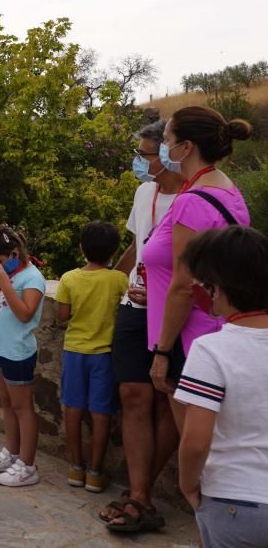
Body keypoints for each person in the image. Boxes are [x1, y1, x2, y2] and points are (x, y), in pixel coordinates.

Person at [100, 120, 181, 532]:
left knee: (167, 399)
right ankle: (139, 495)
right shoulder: (144, 191)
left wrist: (166, 297)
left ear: (169, 154)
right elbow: (137, 245)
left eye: (145, 154)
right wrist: (108, 280)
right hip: (135, 305)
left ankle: (139, 497)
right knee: (133, 393)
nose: (138, 162)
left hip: (176, 310)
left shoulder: (195, 198)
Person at [145, 107, 251, 414]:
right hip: (217, 329)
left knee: (198, 448)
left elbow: (183, 285)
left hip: (189, 339)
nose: (164, 148)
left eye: (167, 140)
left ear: (187, 147)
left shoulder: (194, 201)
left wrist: (162, 351)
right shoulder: (227, 189)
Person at [175, 226, 268, 546]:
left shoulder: (210, 350)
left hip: (232, 500)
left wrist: (187, 485)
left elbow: (196, 441)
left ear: (215, 288)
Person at [54, 221, 127, 494]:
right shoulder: (118, 280)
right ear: (113, 251)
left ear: (81, 248)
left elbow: (63, 316)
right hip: (105, 355)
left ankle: (76, 467)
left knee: (72, 408)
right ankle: (95, 473)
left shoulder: (69, 279)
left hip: (74, 352)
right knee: (101, 413)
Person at [0, 226, 46, 488]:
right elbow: (1, 308)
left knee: (22, 407)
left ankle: (27, 465)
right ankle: (11, 452)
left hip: (17, 351)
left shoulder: (32, 279)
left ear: (14, 253)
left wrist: (5, 284)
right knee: (7, 402)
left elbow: (25, 313)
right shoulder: (9, 274)